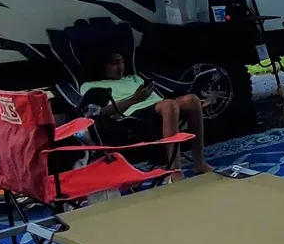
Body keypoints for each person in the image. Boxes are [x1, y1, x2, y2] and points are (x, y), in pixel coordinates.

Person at [82, 52, 213, 174]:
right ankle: (175, 171)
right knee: (169, 105)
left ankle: (199, 163)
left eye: (122, 62)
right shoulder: (90, 85)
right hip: (129, 117)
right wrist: (134, 99)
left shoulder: (134, 78)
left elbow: (158, 99)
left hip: (159, 108)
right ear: (103, 66)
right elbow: (98, 113)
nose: (120, 66)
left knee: (192, 100)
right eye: (114, 63)